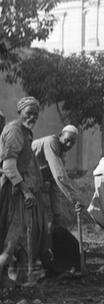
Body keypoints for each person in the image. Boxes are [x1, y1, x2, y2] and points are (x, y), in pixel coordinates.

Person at [0, 97, 49, 284]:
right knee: (10, 242)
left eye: (36, 114)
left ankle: (20, 281)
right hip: (12, 193)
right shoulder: (14, 131)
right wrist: (25, 191)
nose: (33, 117)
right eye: (29, 113)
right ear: (20, 112)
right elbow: (10, 167)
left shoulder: (25, 132)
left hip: (20, 192)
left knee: (20, 240)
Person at [32, 125, 83, 227]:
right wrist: (75, 198)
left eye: (72, 143)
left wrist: (57, 214)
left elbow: (56, 186)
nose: (69, 144)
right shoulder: (51, 142)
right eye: (67, 140)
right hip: (18, 181)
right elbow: (59, 176)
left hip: (34, 186)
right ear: (60, 135)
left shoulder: (62, 156)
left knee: (40, 225)